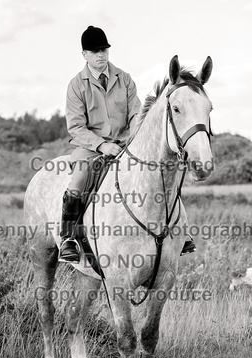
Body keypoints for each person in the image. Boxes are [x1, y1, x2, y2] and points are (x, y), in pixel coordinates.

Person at [59, 25, 195, 263]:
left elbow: (135, 115)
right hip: (90, 148)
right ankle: (68, 238)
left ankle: (181, 234)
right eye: (94, 51)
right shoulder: (76, 86)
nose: (101, 54)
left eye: (104, 49)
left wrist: (135, 141)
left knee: (162, 173)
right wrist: (102, 146)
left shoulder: (125, 79)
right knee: (78, 181)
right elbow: (76, 127)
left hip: (125, 143)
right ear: (84, 55)